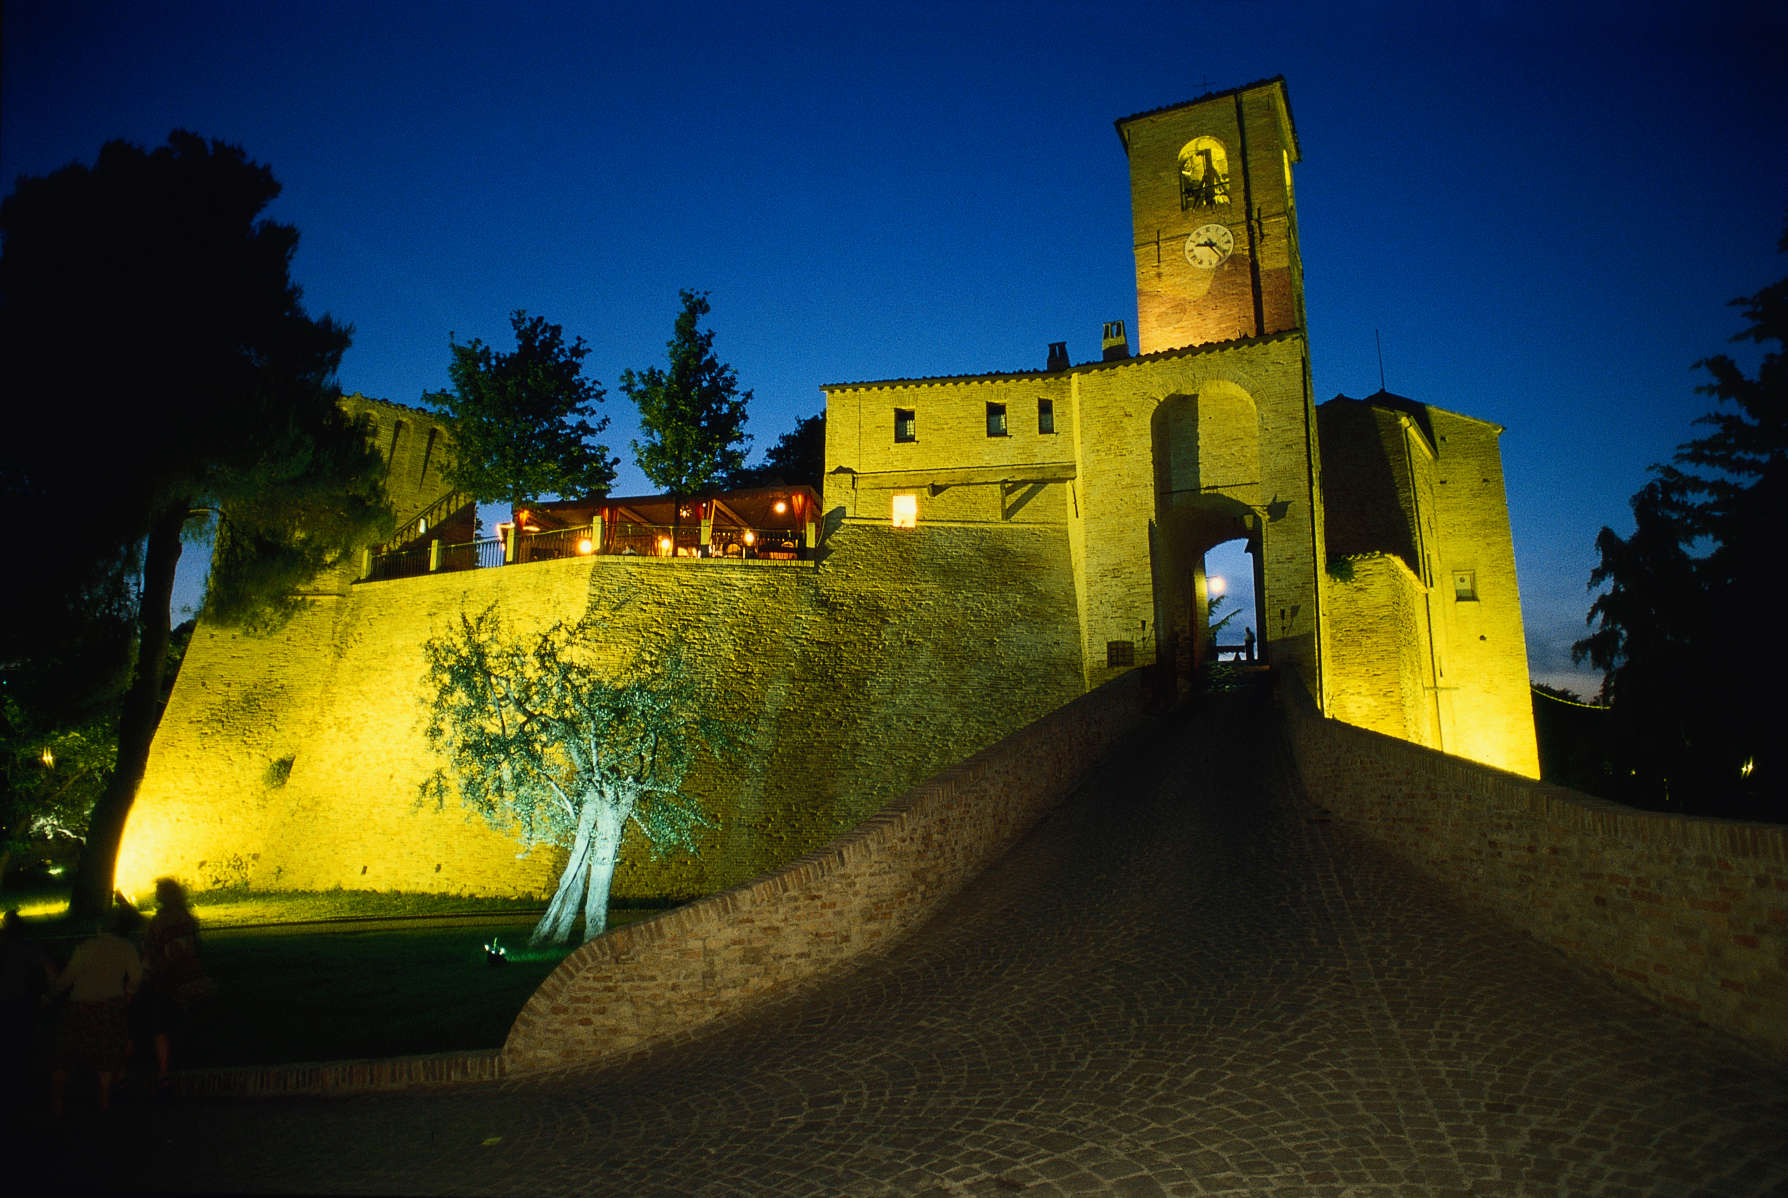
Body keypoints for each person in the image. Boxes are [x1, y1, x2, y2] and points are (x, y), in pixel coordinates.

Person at [49, 912, 141, 1115]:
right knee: (106, 1057)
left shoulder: (85, 948)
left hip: (80, 1004)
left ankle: (57, 1104)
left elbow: (67, 978)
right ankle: (104, 1102)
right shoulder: (126, 947)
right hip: (109, 1005)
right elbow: (136, 976)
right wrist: (128, 994)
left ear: (99, 928)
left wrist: (50, 994)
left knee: (64, 1055)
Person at [141, 878, 210, 1092]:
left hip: (170, 980)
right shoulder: (187, 918)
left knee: (161, 1026)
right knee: (187, 1023)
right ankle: (193, 1064)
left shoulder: (160, 922)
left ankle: (164, 1071)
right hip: (193, 978)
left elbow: (154, 952)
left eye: (158, 891)